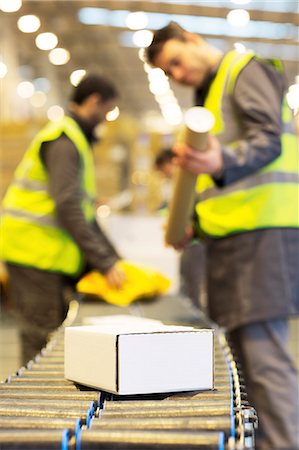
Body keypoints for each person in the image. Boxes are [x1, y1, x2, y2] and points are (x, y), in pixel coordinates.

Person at [145, 22, 299, 450]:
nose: (176, 74)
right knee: (245, 367)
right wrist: (190, 218)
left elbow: (267, 140)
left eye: (175, 61)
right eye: (167, 72)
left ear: (193, 39)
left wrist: (218, 159)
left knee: (266, 363)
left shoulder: (244, 70)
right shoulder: (208, 97)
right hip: (230, 241)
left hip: (262, 236)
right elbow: (217, 183)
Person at [0, 74, 126, 365]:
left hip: (43, 253)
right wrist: (105, 262)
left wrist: (114, 259)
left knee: (49, 335)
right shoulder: (64, 141)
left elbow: (84, 214)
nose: (105, 122)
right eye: (107, 113)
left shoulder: (73, 139)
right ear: (94, 102)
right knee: (40, 338)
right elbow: (67, 206)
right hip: (32, 251)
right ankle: (31, 406)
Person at [154, 148, 206, 312]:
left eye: (164, 170)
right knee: (188, 288)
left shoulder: (192, 181)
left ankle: (199, 324)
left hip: (198, 243)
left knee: (195, 289)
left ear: (172, 162)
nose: (165, 175)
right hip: (190, 244)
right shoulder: (179, 186)